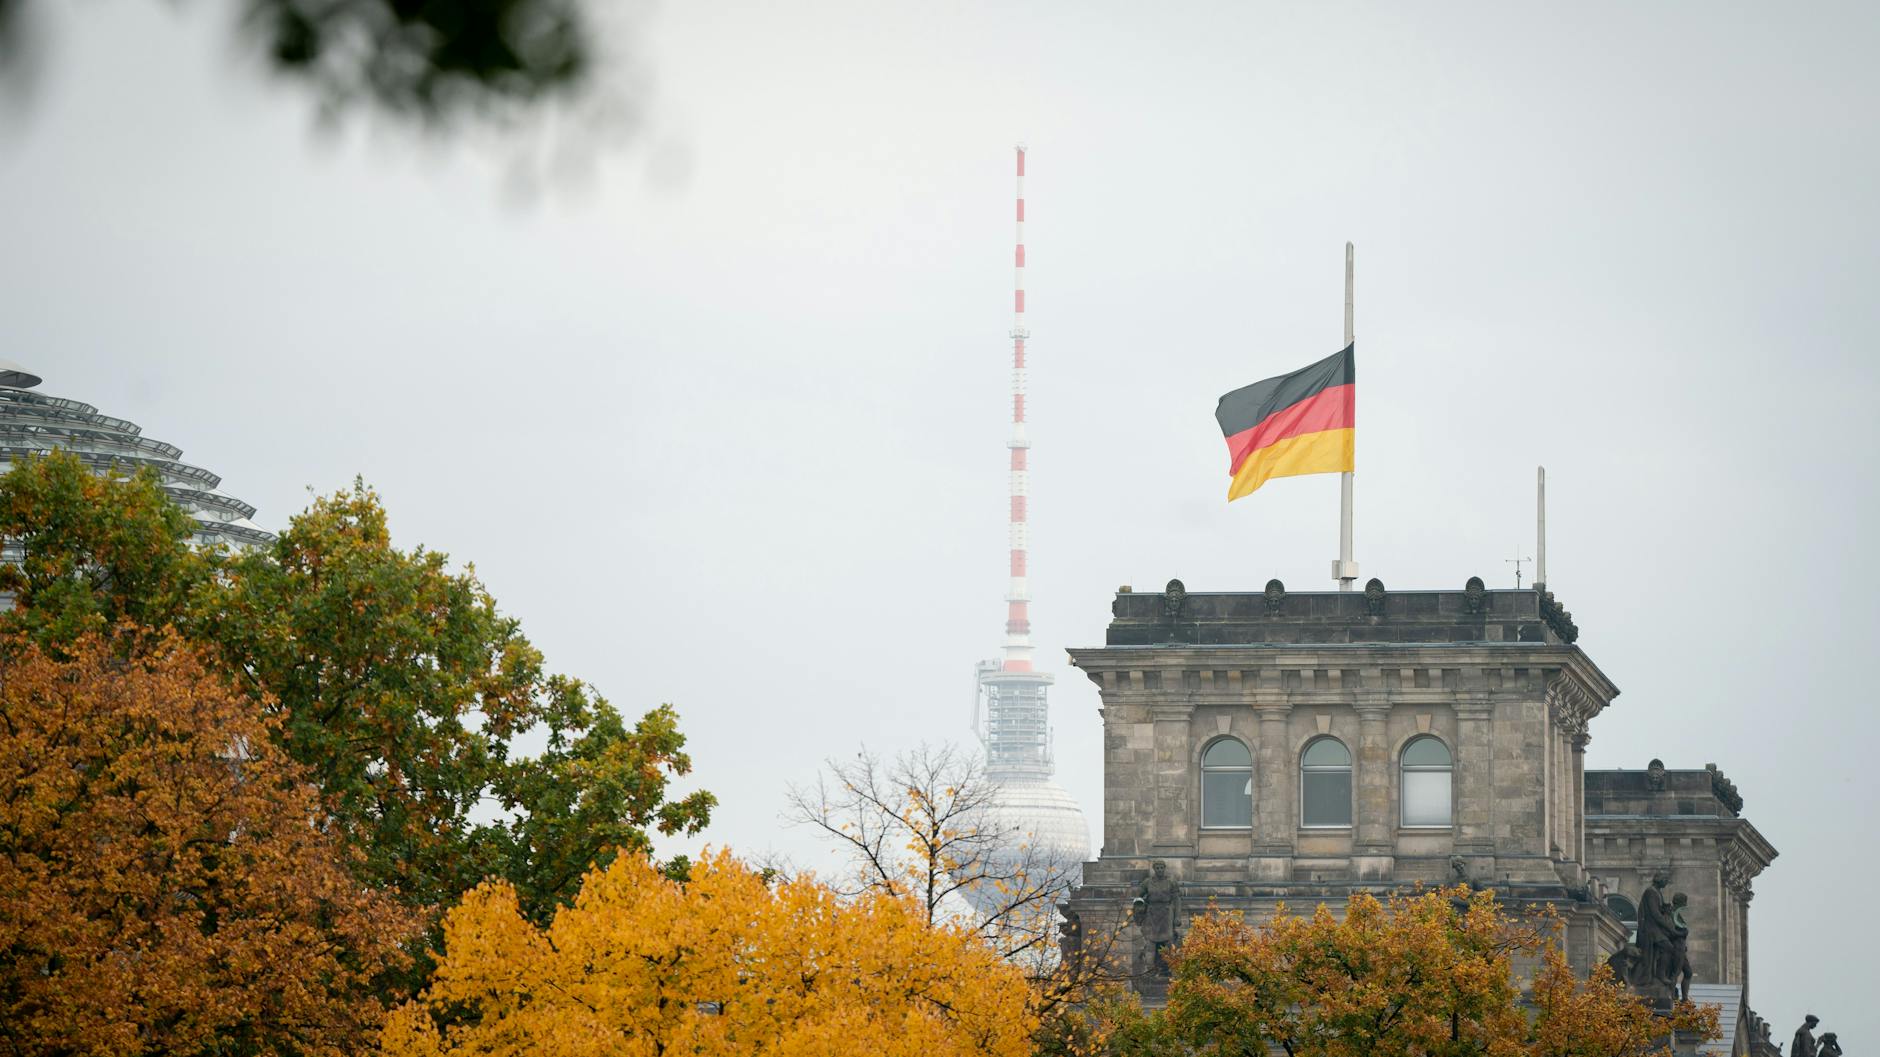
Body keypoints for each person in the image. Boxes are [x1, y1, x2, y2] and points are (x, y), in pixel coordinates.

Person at [1133, 859, 1181, 976]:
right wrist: (1140, 906)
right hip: (1152, 913)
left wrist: (1177, 916)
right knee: (1151, 942)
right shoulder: (1147, 882)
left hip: (1166, 913)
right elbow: (1138, 897)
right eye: (1157, 868)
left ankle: (1170, 968)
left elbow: (1177, 900)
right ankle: (1150, 970)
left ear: (1164, 869)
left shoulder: (1171, 882)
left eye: (1161, 868)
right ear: (1154, 869)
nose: (1159, 870)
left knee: (1168, 941)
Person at [1635, 870, 1678, 987]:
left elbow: (1659, 909)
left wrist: (1665, 908)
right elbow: (1655, 914)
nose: (1666, 883)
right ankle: (1660, 974)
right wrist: (1670, 928)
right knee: (1669, 948)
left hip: (1655, 928)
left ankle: (1660, 973)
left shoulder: (1657, 892)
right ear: (1659, 879)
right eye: (1665, 880)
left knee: (1668, 948)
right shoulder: (1651, 892)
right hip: (1651, 929)